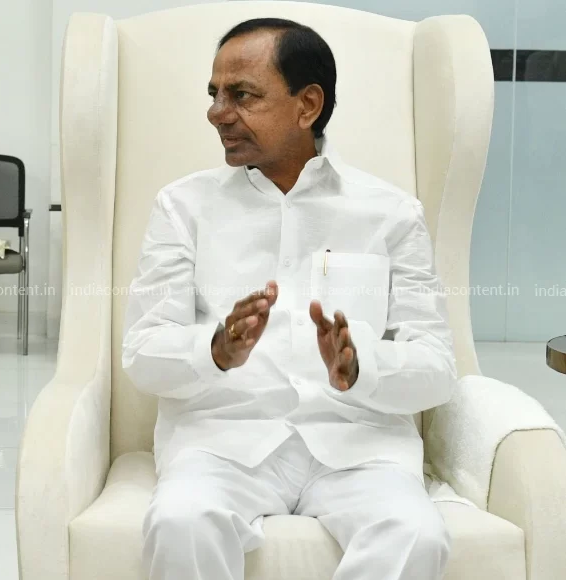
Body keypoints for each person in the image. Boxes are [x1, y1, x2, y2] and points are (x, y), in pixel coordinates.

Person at [122, 18, 456, 580]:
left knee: (415, 534)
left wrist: (362, 366)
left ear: (308, 105)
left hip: (358, 446)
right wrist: (215, 351)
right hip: (223, 444)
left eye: (241, 95)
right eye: (214, 94)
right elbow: (143, 353)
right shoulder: (182, 207)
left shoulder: (391, 213)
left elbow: (437, 368)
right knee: (181, 521)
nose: (217, 113)